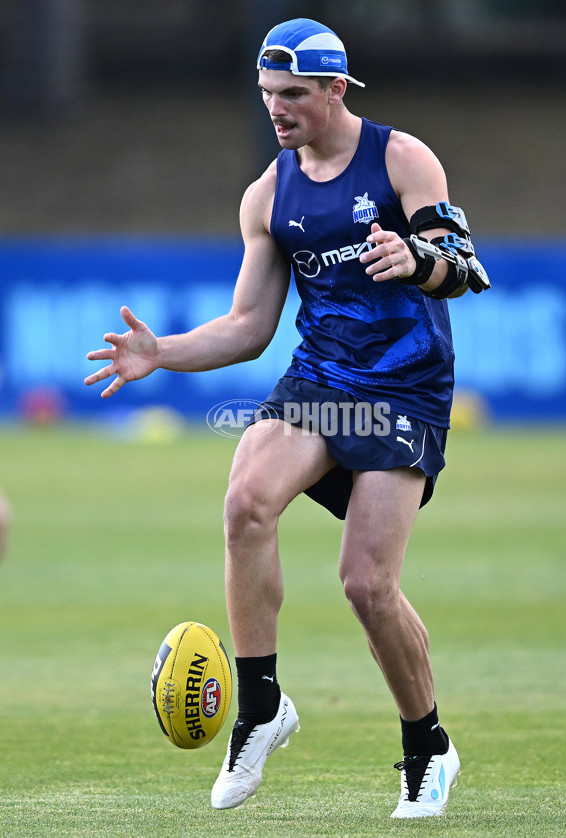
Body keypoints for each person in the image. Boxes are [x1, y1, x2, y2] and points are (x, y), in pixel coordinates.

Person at [85, 18, 489, 819]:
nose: (277, 109)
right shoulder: (269, 193)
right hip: (318, 378)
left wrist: (416, 259)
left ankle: (427, 747)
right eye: (268, 94)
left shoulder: (402, 158)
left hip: (404, 389)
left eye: (294, 95)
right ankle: (262, 708)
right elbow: (249, 327)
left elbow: (466, 268)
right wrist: (159, 352)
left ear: (337, 89)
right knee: (245, 503)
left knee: (367, 586)